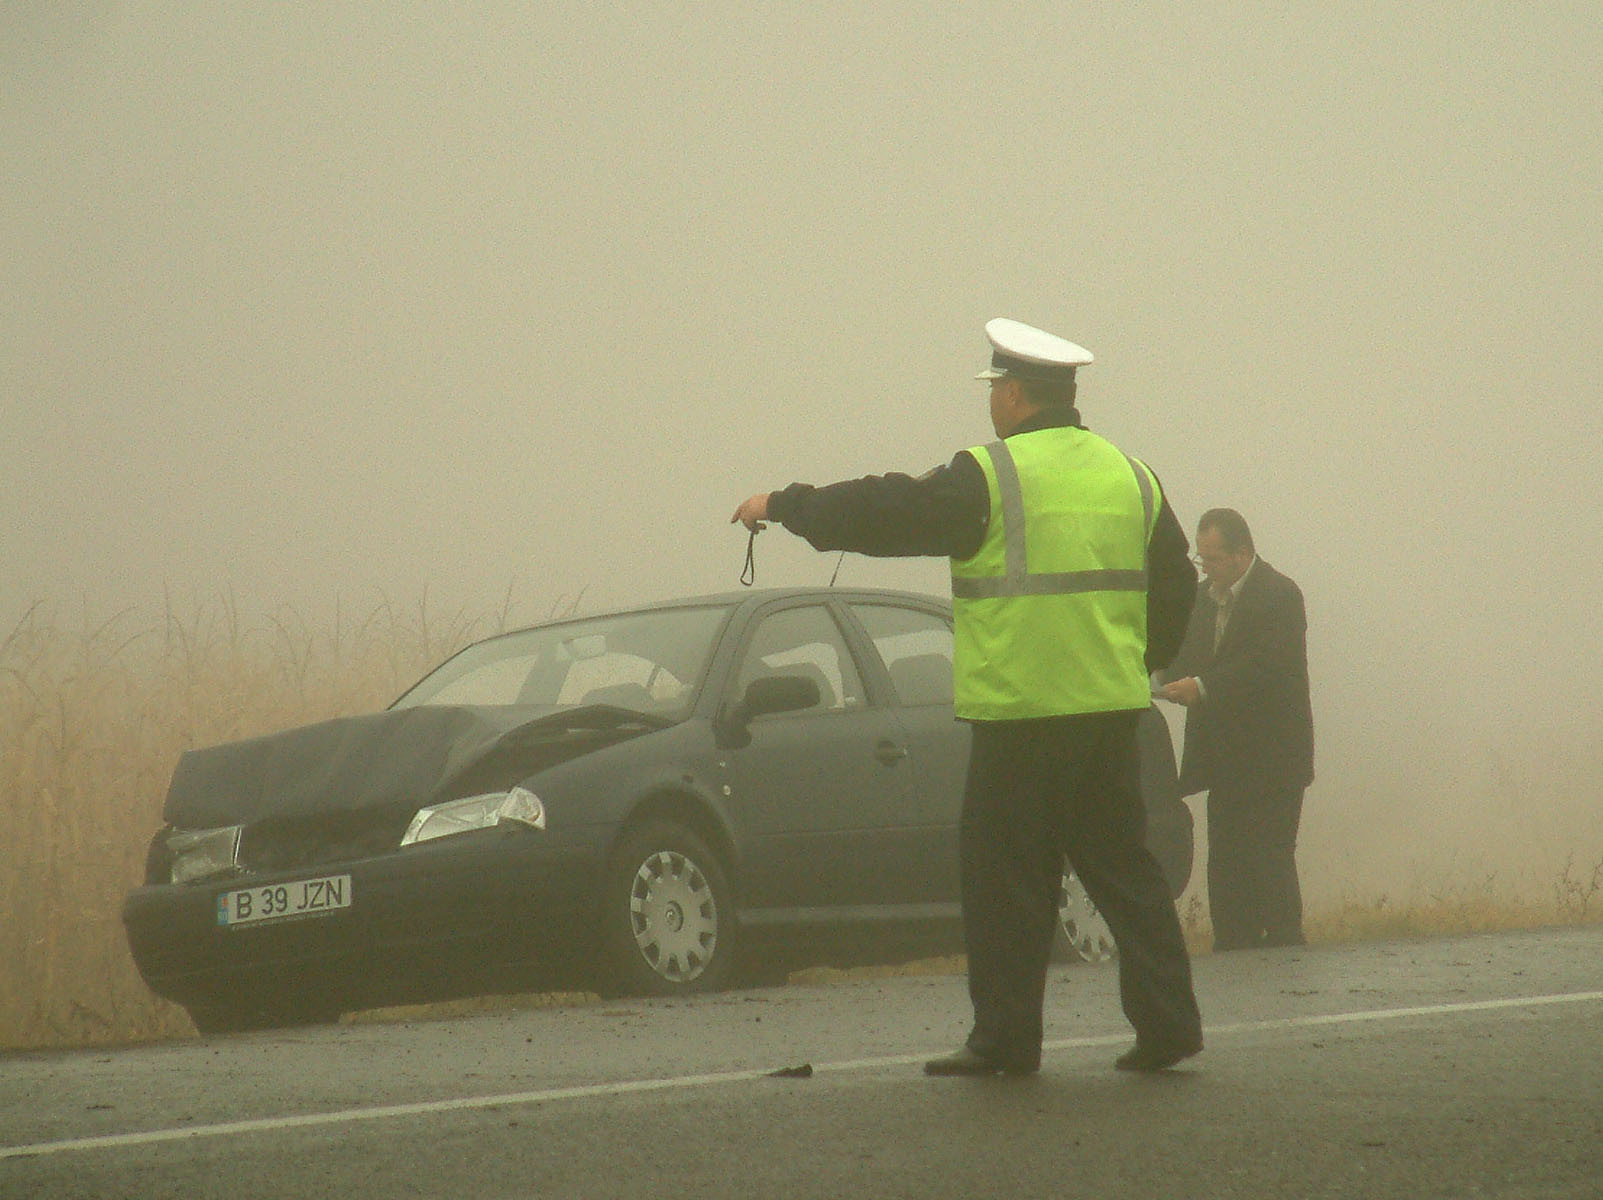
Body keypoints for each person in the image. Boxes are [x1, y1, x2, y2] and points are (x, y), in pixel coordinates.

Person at [731, 318, 1203, 1074]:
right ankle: (1169, 1026)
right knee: (1124, 872)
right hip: (1108, 713)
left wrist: (785, 505)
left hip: (1020, 718)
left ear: (1013, 394)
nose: (992, 402)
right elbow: (1176, 586)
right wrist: (1135, 659)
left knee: (1006, 882)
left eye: (995, 389)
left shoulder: (990, 475)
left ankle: (1006, 1040)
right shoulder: (1132, 476)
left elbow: (886, 510)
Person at [1156, 508, 1314, 951]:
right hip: (1223, 758)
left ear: (1242, 554)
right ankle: (1232, 946)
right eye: (1200, 558)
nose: (1205, 568)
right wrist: (1154, 677)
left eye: (1212, 559)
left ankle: (1285, 948)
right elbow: (1184, 655)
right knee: (1226, 858)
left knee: (1270, 855)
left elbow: (1264, 667)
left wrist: (1202, 687)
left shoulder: (1280, 595)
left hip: (1274, 758)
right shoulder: (1202, 598)